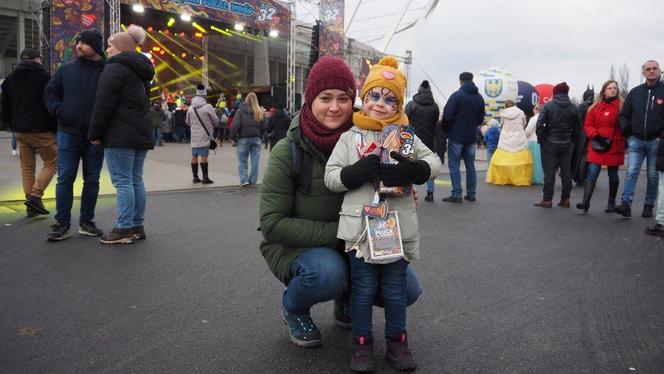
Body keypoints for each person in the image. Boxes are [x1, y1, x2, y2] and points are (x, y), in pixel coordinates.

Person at [258, 56, 423, 354]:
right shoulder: (289, 151)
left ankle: (345, 298)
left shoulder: (373, 138)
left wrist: (404, 194)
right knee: (327, 274)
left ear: (353, 100)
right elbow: (272, 224)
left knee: (407, 289)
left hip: (358, 242)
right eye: (325, 98)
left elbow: (391, 188)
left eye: (343, 98)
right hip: (300, 247)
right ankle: (293, 307)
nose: (334, 107)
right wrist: (343, 233)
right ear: (310, 100)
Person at [325, 56, 443, 372]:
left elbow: (434, 162)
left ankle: (397, 341)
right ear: (365, 97)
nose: (380, 104)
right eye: (375, 95)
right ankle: (362, 344)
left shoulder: (406, 137)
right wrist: (354, 173)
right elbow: (331, 176)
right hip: (362, 232)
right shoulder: (350, 138)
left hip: (396, 231)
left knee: (394, 289)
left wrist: (414, 169)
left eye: (390, 99)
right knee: (362, 289)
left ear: (399, 105)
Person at [88, 24, 155, 244]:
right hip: (140, 132)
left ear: (119, 47)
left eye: (109, 45)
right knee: (135, 179)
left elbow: (103, 103)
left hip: (119, 133)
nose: (106, 50)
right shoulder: (141, 70)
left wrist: (95, 132)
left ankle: (124, 228)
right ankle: (137, 225)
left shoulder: (114, 68)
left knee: (123, 181)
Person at [43, 29, 106, 241]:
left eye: (83, 43)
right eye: (78, 42)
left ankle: (86, 222)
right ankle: (62, 223)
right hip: (68, 133)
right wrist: (60, 110)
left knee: (92, 179)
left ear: (95, 47)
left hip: (95, 135)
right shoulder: (65, 70)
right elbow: (49, 92)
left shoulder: (107, 72)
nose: (78, 46)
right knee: (65, 177)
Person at [1, 48, 57, 217]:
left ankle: (31, 207)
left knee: (27, 168)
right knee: (52, 163)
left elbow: (5, 107)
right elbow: (51, 103)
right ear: (36, 59)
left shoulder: (9, 80)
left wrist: (10, 125)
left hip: (20, 130)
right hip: (42, 130)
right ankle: (35, 196)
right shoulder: (45, 78)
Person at [614, 60, 664, 218]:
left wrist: (660, 137)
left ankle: (648, 206)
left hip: (656, 141)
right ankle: (626, 204)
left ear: (659, 71)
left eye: (654, 68)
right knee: (631, 172)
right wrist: (627, 133)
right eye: (648, 69)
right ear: (643, 72)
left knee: (653, 176)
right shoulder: (635, 92)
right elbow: (624, 115)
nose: (651, 71)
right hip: (635, 140)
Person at [576, 80, 625, 213]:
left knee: (613, 175)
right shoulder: (594, 107)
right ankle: (585, 202)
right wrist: (596, 136)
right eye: (610, 88)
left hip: (615, 145)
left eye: (615, 88)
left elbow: (626, 125)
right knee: (592, 173)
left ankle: (611, 203)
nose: (613, 90)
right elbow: (588, 125)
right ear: (604, 90)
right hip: (597, 144)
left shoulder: (622, 106)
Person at [440, 71, 485, 203]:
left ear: (460, 81)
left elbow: (447, 116)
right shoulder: (479, 98)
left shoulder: (456, 96)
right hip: (471, 136)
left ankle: (457, 194)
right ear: (472, 80)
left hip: (456, 136)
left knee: (454, 165)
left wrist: (447, 129)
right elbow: (481, 118)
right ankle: (471, 194)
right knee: (470, 165)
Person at [534, 82, 581, 208]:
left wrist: (542, 140)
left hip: (550, 143)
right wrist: (572, 140)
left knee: (549, 173)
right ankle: (565, 199)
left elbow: (539, 125)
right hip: (567, 143)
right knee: (566, 172)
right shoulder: (574, 108)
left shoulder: (548, 106)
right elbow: (578, 128)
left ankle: (547, 199)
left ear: (555, 93)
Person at [406, 80, 441, 202]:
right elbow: (435, 124)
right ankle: (430, 192)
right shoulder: (435, 106)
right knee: (428, 163)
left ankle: (409, 192)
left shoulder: (411, 104)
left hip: (411, 139)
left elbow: (405, 121)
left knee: (409, 164)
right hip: (429, 139)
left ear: (419, 91)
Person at [486, 100, 532, 186]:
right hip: (519, 137)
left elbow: (501, 124)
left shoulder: (503, 113)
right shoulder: (521, 112)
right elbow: (524, 123)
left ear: (506, 106)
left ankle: (503, 177)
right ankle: (519, 177)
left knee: (503, 158)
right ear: (514, 105)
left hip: (505, 137)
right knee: (519, 159)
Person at [230, 92, 265, 186]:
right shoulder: (260, 111)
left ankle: (244, 180)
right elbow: (263, 127)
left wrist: (232, 137)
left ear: (246, 99)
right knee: (255, 161)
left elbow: (236, 125)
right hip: (256, 139)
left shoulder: (240, 111)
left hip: (243, 139)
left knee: (242, 160)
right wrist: (260, 136)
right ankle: (253, 181)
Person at [186, 84, 218, 184]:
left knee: (194, 155)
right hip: (205, 135)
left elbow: (187, 121)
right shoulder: (208, 107)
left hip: (194, 135)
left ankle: (195, 177)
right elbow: (216, 121)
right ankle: (205, 178)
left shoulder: (191, 108)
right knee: (204, 155)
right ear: (204, 96)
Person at [571, 87, 595, 186]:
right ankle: (583, 177)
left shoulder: (581, 106)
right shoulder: (593, 106)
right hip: (589, 135)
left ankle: (579, 177)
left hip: (580, 135)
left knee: (578, 157)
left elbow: (576, 121)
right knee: (585, 158)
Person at [524, 104, 544, 185]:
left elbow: (528, 131)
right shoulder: (544, 118)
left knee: (532, 160)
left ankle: (533, 177)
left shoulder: (533, 118)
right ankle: (539, 177)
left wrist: (524, 135)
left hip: (532, 141)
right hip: (541, 141)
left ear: (536, 109)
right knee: (539, 160)